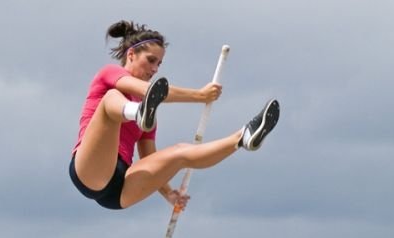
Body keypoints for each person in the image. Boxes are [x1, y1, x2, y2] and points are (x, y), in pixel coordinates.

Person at [69, 19, 280, 211]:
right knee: (111, 99)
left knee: (180, 152)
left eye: (159, 64)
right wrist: (200, 95)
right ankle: (134, 113)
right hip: (89, 170)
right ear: (131, 55)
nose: (155, 68)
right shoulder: (109, 74)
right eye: (151, 60)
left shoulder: (149, 112)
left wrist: (168, 193)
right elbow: (147, 90)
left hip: (119, 189)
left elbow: (150, 158)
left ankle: (242, 137)